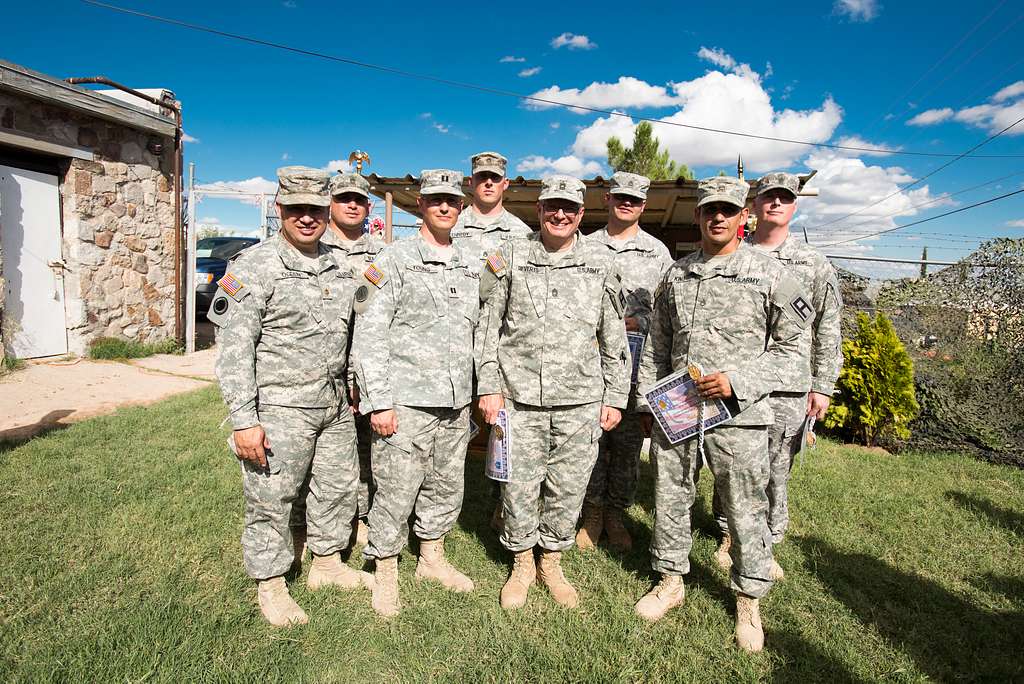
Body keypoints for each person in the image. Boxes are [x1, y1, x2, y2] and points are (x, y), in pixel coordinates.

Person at [633, 176, 812, 652]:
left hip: (738, 412)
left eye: (728, 210)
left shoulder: (769, 272)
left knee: (743, 506)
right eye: (710, 209)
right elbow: (657, 344)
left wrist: (740, 381)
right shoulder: (676, 274)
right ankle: (670, 580)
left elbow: (796, 348)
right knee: (671, 495)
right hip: (680, 409)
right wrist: (648, 400)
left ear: (743, 217)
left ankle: (748, 598)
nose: (718, 217)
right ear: (698, 216)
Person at [212, 166, 371, 628]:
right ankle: (272, 583)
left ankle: (325, 563)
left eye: (315, 210)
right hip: (280, 409)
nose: (307, 218)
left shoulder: (341, 266)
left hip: (334, 405)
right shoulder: (253, 267)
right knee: (272, 499)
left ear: (328, 212)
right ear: (279, 209)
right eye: (297, 209)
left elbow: (359, 332)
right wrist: (244, 420)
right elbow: (235, 349)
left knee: (337, 488)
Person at [475, 174, 630, 610]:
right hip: (518, 396)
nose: (559, 214)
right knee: (519, 484)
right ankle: (522, 560)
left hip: (580, 399)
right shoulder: (508, 257)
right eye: (551, 207)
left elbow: (614, 338)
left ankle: (552, 558)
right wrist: (489, 385)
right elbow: (488, 330)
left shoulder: (600, 263)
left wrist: (616, 396)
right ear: (539, 210)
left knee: (569, 484)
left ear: (581, 214)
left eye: (569, 208)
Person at [351, 169, 478, 618]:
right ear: (421, 205)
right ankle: (385, 569)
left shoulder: (472, 262)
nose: (444, 207)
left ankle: (432, 558)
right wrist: (379, 401)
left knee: (446, 485)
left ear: (461, 207)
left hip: (455, 400)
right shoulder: (393, 261)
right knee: (395, 490)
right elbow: (369, 335)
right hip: (405, 400)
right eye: (435, 200)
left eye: (452, 201)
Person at [710, 172, 844, 577]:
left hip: (787, 385)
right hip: (737, 382)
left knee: (775, 465)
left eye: (784, 198)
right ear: (752, 206)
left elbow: (828, 325)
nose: (776, 204)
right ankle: (729, 534)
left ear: (795, 206)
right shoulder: (732, 254)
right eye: (769, 197)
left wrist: (821, 386)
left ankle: (768, 540)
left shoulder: (812, 263)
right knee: (734, 462)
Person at [577, 171, 673, 552]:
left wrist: (634, 322)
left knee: (629, 444)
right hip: (592, 364)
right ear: (608, 200)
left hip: (637, 366)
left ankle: (616, 514)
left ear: (643, 206)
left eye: (634, 199)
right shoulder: (585, 246)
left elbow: (668, 314)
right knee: (593, 439)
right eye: (620, 197)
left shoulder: (657, 253)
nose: (626, 203)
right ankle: (592, 511)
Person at [451, 151, 533, 534]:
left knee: (504, 430)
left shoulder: (520, 233)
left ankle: (504, 504)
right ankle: (444, 505)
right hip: (450, 340)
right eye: (481, 176)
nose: (487, 182)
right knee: (450, 426)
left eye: (494, 178)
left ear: (505, 184)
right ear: (471, 182)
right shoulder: (452, 224)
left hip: (497, 344)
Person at [322, 171, 387, 547]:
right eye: (344, 198)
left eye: (359, 200)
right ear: (331, 202)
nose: (351, 205)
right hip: (325, 369)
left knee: (368, 448)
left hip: (366, 367)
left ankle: (363, 516)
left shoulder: (381, 253)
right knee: (329, 453)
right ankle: (321, 523)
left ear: (368, 206)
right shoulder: (314, 244)